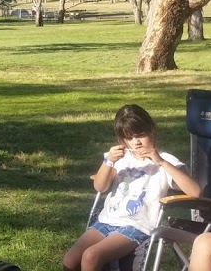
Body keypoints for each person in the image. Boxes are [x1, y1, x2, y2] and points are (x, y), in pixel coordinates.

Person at [63, 104, 201, 271]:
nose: (136, 143)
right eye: (129, 138)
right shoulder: (119, 157)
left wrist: (162, 163)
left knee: (91, 256)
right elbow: (100, 186)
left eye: (141, 136)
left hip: (136, 226)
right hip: (107, 221)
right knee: (70, 260)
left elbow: (195, 191)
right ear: (122, 139)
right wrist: (108, 162)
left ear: (151, 131)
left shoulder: (165, 160)